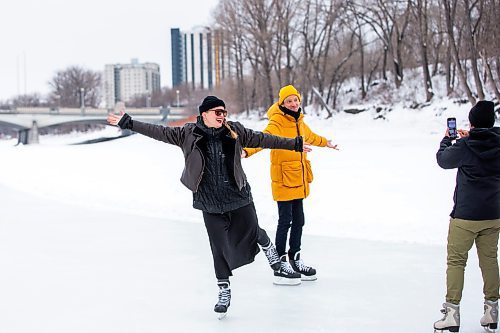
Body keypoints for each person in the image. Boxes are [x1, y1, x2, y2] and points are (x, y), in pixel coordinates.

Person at [107, 96, 308, 318]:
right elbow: (159, 131)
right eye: (217, 112)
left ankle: (272, 254)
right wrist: (128, 122)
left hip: (238, 195)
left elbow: (264, 139)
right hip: (209, 201)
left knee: (252, 232)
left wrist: (295, 144)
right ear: (205, 114)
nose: (222, 116)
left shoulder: (235, 131)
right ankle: (224, 289)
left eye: (224, 112)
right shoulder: (187, 133)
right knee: (218, 245)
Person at [243, 85, 338, 285]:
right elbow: (263, 139)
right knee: (285, 221)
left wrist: (325, 142)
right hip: (284, 179)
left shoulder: (300, 121)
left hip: (299, 179)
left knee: (299, 220)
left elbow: (311, 137)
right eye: (289, 101)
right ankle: (280, 262)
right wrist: (246, 151)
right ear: (282, 103)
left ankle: (295, 258)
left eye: (295, 100)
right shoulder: (277, 121)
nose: (293, 104)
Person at [433, 100, 500, 332]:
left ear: (471, 123)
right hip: (493, 215)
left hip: (465, 217)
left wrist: (448, 140)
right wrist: (476, 135)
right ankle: (492, 312)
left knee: (456, 262)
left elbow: (443, 160)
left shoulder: (465, 145)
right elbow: (489, 137)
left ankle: (452, 314)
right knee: (490, 261)